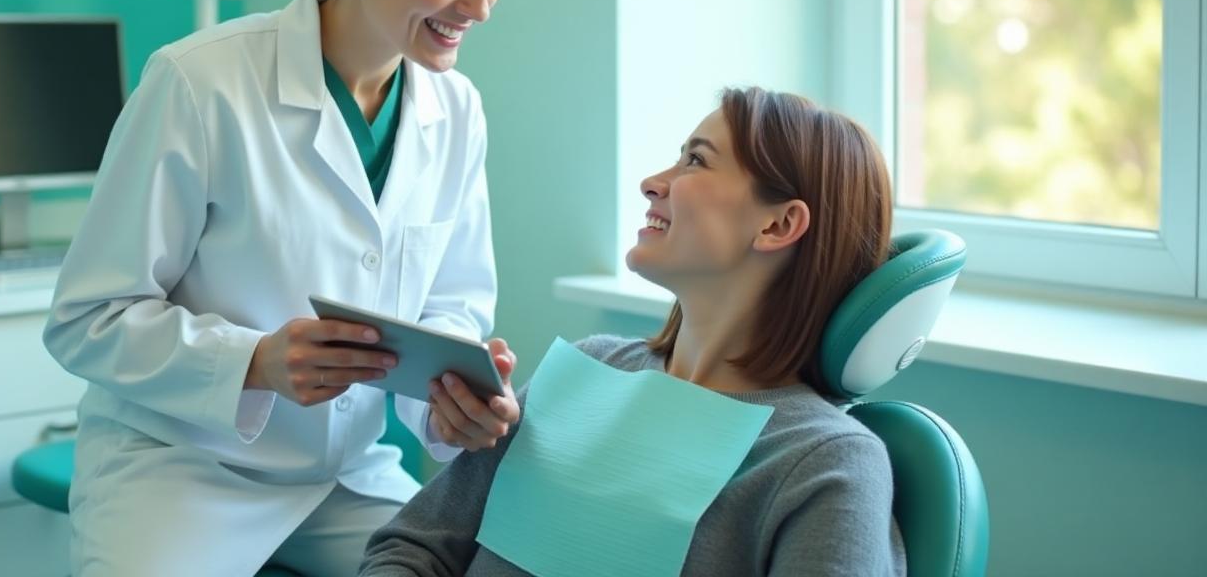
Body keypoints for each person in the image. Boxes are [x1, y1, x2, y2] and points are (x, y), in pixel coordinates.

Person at [44, 0, 526, 576]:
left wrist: (454, 404)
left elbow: (452, 305)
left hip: (346, 477)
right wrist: (256, 363)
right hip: (179, 469)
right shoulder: (201, 83)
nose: (480, 5)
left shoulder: (455, 110)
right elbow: (86, 319)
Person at [360, 87, 907, 576]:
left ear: (778, 224)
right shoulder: (587, 369)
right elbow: (414, 548)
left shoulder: (822, 460)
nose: (652, 184)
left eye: (696, 160)